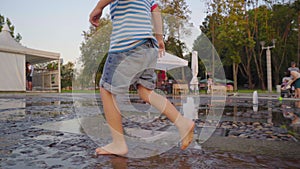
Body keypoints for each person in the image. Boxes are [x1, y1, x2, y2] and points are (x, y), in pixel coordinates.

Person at [90, 0, 195, 155]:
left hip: (126, 44)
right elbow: (156, 11)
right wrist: (159, 38)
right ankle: (182, 122)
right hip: (148, 46)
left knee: (107, 89)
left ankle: (119, 143)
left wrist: (99, 7)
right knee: (145, 92)